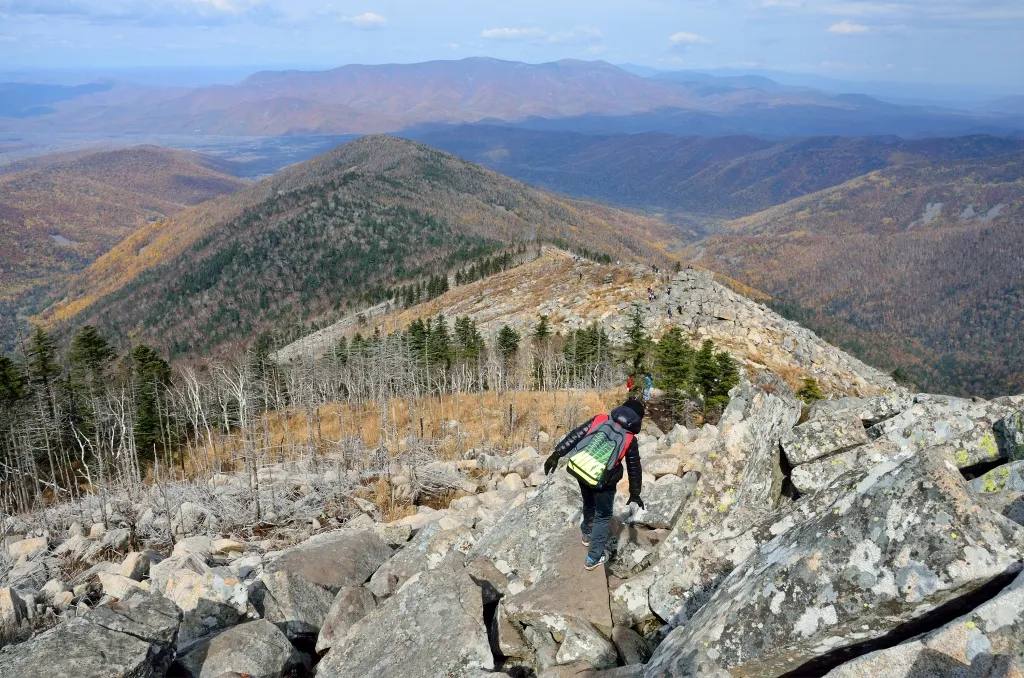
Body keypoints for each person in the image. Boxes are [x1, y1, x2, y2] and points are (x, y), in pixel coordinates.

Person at [543, 399, 645, 570]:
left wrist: (556, 454)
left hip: (582, 470)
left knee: (588, 502)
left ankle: (587, 533)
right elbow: (634, 468)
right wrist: (635, 493)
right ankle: (593, 557)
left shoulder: (600, 419)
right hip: (604, 482)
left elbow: (576, 435)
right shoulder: (629, 439)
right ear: (637, 420)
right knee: (603, 516)